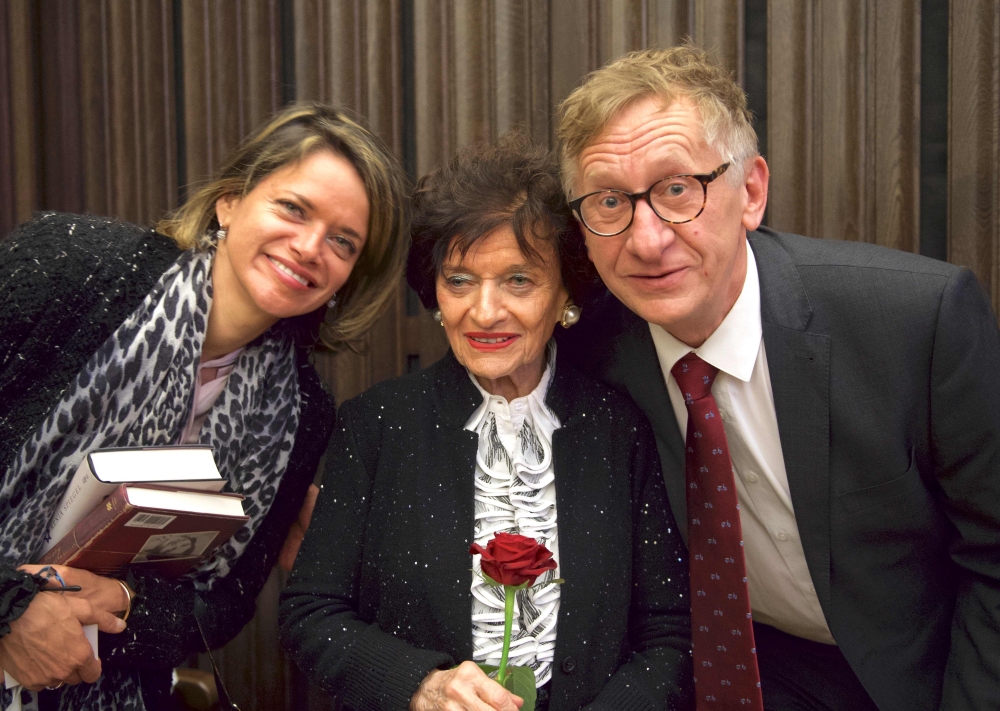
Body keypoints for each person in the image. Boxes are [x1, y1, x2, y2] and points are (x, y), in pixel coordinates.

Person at [555, 44, 1000, 711]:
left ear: (751, 192)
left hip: (920, 671)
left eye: (677, 189)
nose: (647, 240)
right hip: (728, 671)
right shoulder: (590, 353)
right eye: (611, 201)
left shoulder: (918, 322)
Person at [0, 102, 409, 710]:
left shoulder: (302, 413)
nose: (309, 247)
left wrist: (126, 606)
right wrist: (12, 612)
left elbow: (221, 606)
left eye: (343, 241)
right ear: (229, 202)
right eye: (293, 209)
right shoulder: (70, 267)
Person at [279, 134, 693, 711]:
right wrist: (423, 687)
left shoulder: (621, 429)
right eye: (460, 280)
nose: (485, 311)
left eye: (519, 280)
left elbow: (670, 634)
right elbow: (310, 613)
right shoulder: (377, 425)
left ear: (566, 294)